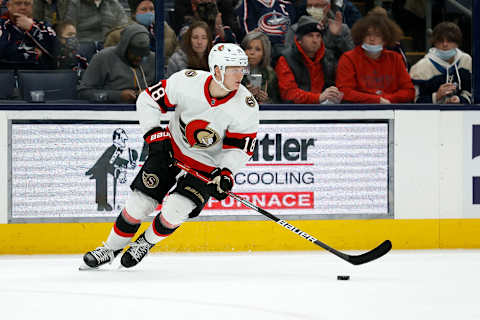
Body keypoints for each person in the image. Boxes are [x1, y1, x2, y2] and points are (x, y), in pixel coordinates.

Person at [82, 43, 259, 269]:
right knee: (139, 204)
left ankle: (145, 243)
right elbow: (147, 100)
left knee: (176, 210)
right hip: (170, 151)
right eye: (233, 69)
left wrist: (226, 174)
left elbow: (240, 147)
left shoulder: (246, 106)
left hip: (206, 166)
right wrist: (154, 135)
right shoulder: (187, 81)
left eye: (242, 69)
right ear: (216, 70)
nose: (240, 75)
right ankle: (109, 249)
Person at [335, 13, 414, 104]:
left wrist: (388, 99)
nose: (372, 39)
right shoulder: (348, 58)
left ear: (385, 39)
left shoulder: (395, 58)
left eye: (377, 35)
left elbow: (409, 91)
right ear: (361, 36)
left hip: (391, 109)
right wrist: (377, 100)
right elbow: (344, 91)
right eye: (368, 34)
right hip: (359, 111)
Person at [78, 23, 155, 103]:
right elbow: (84, 93)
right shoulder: (104, 58)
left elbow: (165, 91)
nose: (139, 58)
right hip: (112, 111)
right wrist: (117, 96)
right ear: (125, 48)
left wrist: (149, 94)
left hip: (147, 110)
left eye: (142, 55)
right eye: (134, 54)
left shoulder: (153, 59)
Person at [275, 15, 343, 104]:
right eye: (310, 36)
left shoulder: (328, 57)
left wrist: (334, 92)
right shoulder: (286, 59)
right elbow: (288, 94)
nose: (315, 40)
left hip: (324, 108)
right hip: (295, 112)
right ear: (299, 40)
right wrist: (318, 97)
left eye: (318, 36)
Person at [409, 21, 472, 104]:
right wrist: (437, 96)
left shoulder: (466, 60)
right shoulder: (420, 67)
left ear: (457, 43)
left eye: (450, 40)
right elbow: (413, 101)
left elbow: (471, 91)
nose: (445, 44)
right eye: (440, 41)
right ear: (434, 43)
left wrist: (459, 99)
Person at [103, 0, 177, 67]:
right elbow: (110, 63)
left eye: (151, 9)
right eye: (144, 9)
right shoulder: (118, 35)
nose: (149, 13)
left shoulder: (167, 32)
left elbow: (175, 55)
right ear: (134, 13)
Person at [286, 0, 354, 67]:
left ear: (328, 7)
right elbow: (287, 57)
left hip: (332, 74)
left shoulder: (342, 29)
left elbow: (352, 57)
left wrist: (338, 37)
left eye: (317, 5)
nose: (313, 9)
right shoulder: (295, 30)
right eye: (309, 6)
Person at [0, 0, 57, 68]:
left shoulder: (43, 26)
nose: (23, 7)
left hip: (41, 76)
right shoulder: (2, 26)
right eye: (18, 3)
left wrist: (32, 28)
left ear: (32, 7)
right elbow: (3, 55)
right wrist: (35, 55)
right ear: (9, 6)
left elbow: (57, 52)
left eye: (27, 4)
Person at [240, 31, 280, 104]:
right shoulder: (235, 72)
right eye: (249, 48)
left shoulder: (270, 74)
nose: (252, 53)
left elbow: (277, 102)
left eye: (257, 49)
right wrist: (244, 95)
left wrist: (266, 100)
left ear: (264, 53)